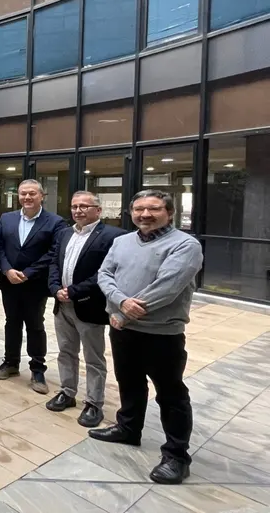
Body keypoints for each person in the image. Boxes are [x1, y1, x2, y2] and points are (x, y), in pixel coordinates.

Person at [91, 190, 203, 485]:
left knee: (171, 394)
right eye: (139, 209)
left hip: (161, 333)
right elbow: (104, 274)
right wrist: (120, 303)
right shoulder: (122, 241)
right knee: (129, 382)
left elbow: (167, 287)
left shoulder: (185, 245)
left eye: (153, 208)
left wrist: (124, 311)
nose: (145, 215)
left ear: (169, 212)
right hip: (123, 329)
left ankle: (177, 456)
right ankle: (128, 429)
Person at [45, 191, 125, 428]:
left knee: (93, 357)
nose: (78, 211)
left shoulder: (113, 236)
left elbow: (106, 272)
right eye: (74, 206)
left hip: (88, 305)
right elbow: (54, 262)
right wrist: (54, 288)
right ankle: (67, 392)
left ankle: (94, 402)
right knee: (66, 351)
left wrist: (75, 291)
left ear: (98, 210)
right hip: (62, 304)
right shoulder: (64, 233)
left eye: (84, 206)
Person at [0, 179, 67, 394]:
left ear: (41, 196)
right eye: (23, 193)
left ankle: (37, 369)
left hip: (34, 284)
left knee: (35, 325)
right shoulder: (6, 219)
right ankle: (11, 363)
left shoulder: (55, 222)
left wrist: (28, 273)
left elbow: (54, 253)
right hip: (9, 281)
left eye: (32, 193)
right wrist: (7, 270)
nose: (27, 197)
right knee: (11, 323)